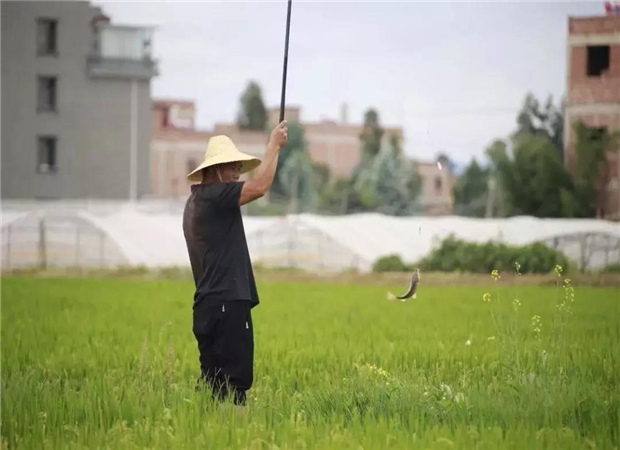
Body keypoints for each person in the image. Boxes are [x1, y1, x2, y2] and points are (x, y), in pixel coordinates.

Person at [182, 121, 288, 407]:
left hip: (207, 306)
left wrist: (274, 150)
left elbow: (256, 186)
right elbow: (259, 187)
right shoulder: (214, 198)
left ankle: (210, 430)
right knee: (235, 388)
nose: (237, 174)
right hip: (227, 305)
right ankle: (236, 430)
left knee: (213, 387)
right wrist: (273, 145)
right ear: (215, 169)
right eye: (232, 167)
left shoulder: (195, 202)